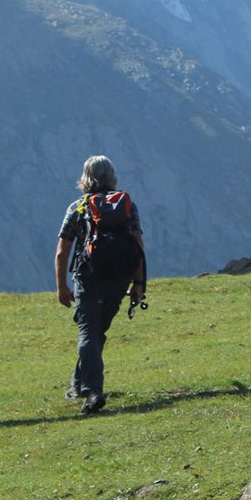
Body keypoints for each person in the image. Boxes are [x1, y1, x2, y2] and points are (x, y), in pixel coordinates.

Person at [54, 155, 147, 413]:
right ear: (111, 176)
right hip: (119, 277)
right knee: (97, 331)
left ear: (85, 178)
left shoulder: (78, 207)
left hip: (87, 277)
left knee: (88, 332)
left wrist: (61, 286)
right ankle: (77, 383)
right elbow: (138, 246)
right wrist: (139, 284)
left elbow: (62, 251)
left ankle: (93, 391)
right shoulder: (127, 206)